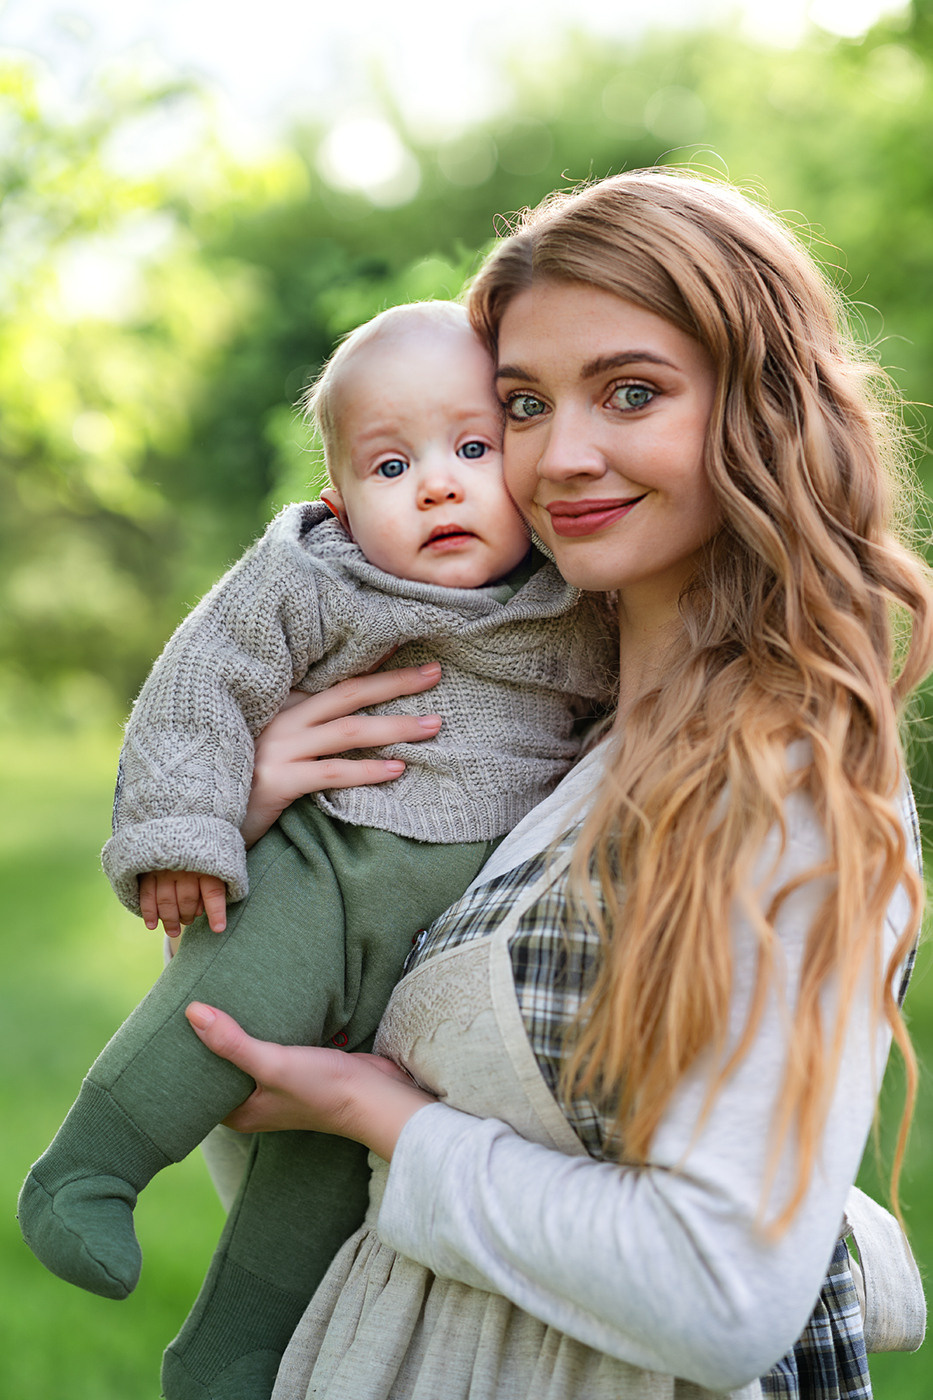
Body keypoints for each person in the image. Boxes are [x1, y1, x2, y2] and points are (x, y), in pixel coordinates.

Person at [182, 168, 933, 1400]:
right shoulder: (523, 754)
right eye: (522, 404)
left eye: (632, 392)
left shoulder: (784, 778)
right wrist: (255, 848)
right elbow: (274, 1137)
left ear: (762, 410)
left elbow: (720, 1296)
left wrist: (391, 1123)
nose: (560, 456)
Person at [17, 300, 615, 1400]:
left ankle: (231, 1352)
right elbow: (197, 693)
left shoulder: (576, 604)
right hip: (325, 869)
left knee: (329, 1166)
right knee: (222, 1013)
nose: (438, 482)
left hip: (436, 956)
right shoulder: (315, 576)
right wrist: (189, 830)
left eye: (474, 448)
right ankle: (84, 1170)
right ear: (340, 501)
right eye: (394, 465)